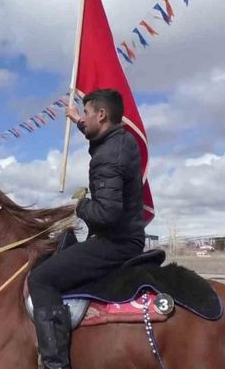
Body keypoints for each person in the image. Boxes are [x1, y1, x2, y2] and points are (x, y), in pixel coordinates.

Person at [27, 89, 146, 369]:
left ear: (102, 115)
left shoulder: (108, 156)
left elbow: (106, 213)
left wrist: (79, 205)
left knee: (41, 280)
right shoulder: (120, 140)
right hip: (125, 237)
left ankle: (56, 364)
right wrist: (77, 121)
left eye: (88, 113)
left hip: (115, 243)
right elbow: (97, 138)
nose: (85, 117)